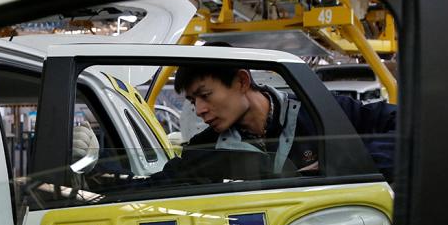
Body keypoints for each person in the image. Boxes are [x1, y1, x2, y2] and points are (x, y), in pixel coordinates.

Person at [150, 57, 396, 184]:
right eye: (193, 101)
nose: (200, 110)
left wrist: (342, 165)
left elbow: (407, 129)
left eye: (205, 95)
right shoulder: (205, 151)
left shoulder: (322, 114)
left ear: (242, 81)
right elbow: (165, 184)